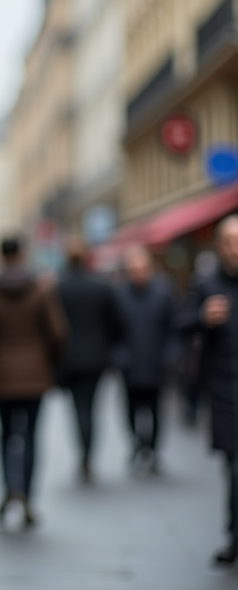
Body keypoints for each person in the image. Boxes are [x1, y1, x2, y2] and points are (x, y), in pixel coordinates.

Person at [0, 236, 66, 527]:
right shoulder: (40, 289)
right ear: (22, 254)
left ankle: (8, 490)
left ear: (0, 255)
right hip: (35, 374)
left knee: (5, 435)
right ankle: (28, 495)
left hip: (2, 374)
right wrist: (48, 360)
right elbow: (59, 332)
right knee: (32, 436)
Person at [180, 214, 238, 566]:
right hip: (225, 387)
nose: (235, 250)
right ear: (219, 247)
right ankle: (235, 534)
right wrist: (202, 317)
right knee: (235, 466)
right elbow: (180, 322)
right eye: (229, 243)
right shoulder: (206, 283)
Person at [56, 239, 124, 483]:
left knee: (78, 408)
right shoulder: (102, 287)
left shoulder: (58, 288)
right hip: (97, 358)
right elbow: (117, 324)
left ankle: (82, 454)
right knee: (92, 407)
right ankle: (88, 454)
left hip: (69, 359)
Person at [115, 245, 177, 474]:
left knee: (156, 410)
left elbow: (173, 326)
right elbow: (113, 331)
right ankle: (138, 444)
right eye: (133, 269)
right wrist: (119, 356)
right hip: (130, 365)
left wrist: (171, 355)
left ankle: (153, 449)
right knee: (131, 410)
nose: (138, 273)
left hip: (156, 363)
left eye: (141, 268)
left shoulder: (163, 293)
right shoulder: (120, 295)